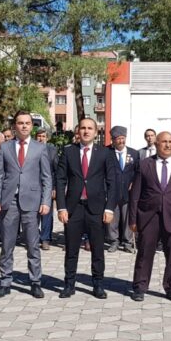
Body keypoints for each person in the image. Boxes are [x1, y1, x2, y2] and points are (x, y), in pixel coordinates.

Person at [0, 111, 53, 299]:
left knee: (33, 245)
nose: (24, 126)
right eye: (20, 123)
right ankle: (5, 281)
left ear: (32, 126)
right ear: (14, 126)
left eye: (27, 123)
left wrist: (46, 201)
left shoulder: (40, 148)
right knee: (7, 244)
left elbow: (46, 178)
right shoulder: (5, 147)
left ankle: (35, 282)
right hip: (9, 201)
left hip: (32, 202)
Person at [55, 118, 119, 299]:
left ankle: (98, 284)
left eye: (90, 128)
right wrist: (61, 207)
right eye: (83, 128)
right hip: (73, 208)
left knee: (97, 250)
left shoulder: (105, 153)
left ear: (96, 132)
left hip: (96, 209)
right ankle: (69, 284)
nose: (86, 131)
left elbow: (112, 182)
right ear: (78, 131)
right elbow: (60, 180)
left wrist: (109, 208)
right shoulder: (68, 151)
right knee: (71, 249)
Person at [129, 131, 171, 302]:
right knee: (144, 254)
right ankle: (140, 287)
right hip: (148, 218)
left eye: (170, 142)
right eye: (164, 142)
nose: (168, 145)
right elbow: (135, 194)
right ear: (156, 144)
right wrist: (133, 219)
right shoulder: (144, 165)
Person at [106, 126, 139, 253]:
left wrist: (134, 183)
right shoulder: (107, 152)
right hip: (111, 192)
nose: (121, 141)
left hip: (128, 192)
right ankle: (113, 241)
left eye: (123, 138)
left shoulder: (134, 153)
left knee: (127, 218)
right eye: (118, 139)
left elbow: (138, 172)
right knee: (113, 219)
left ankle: (127, 242)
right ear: (113, 140)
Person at [35, 129, 58, 250]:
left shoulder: (52, 150)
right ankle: (33, 238)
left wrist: (54, 187)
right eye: (39, 136)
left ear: (47, 138)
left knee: (47, 214)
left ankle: (45, 239)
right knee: (33, 215)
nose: (41, 138)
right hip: (33, 187)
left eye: (43, 136)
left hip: (47, 187)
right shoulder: (31, 149)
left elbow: (56, 171)